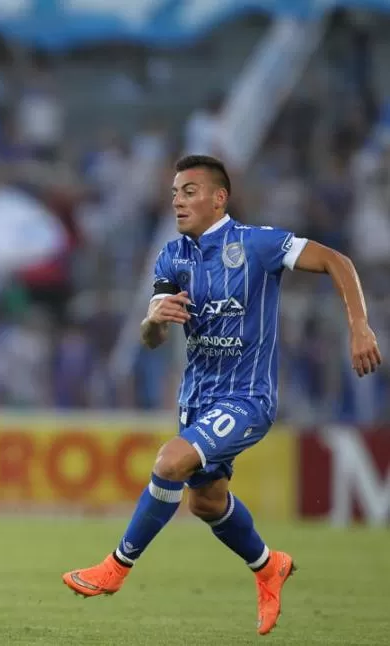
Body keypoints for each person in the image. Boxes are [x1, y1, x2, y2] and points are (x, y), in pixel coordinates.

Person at [62, 155, 382, 635]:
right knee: (207, 503)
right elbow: (151, 338)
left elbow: (338, 261)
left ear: (218, 198)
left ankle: (116, 567)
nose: (177, 200)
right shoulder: (173, 257)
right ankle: (268, 566)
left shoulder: (259, 244)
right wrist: (153, 320)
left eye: (189, 191)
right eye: (173, 193)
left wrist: (359, 328)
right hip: (197, 399)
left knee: (170, 463)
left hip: (247, 397)